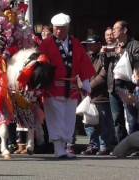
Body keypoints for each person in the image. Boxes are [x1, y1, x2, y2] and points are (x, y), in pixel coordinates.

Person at [39, 13, 95, 159]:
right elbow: (39, 66)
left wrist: (86, 83)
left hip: (71, 87)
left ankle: (65, 147)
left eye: (62, 28)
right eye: (56, 28)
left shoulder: (76, 43)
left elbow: (83, 63)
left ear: (68, 28)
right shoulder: (45, 44)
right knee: (55, 117)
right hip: (53, 87)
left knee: (69, 117)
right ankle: (58, 148)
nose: (58, 31)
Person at [80, 35, 115, 155]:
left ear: (99, 44)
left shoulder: (104, 56)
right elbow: (80, 73)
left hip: (101, 95)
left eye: (92, 44)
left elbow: (103, 75)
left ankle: (105, 145)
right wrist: (82, 86)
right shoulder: (86, 57)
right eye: (87, 44)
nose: (89, 46)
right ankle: (93, 145)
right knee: (89, 122)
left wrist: (89, 86)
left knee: (104, 122)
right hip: (88, 95)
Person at [112, 20, 139, 135]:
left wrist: (124, 52)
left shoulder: (135, 44)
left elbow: (137, 61)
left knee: (132, 118)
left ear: (124, 30)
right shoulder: (114, 46)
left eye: (116, 28)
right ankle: (123, 146)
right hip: (117, 87)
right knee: (118, 119)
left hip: (131, 86)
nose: (113, 31)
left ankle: (134, 147)